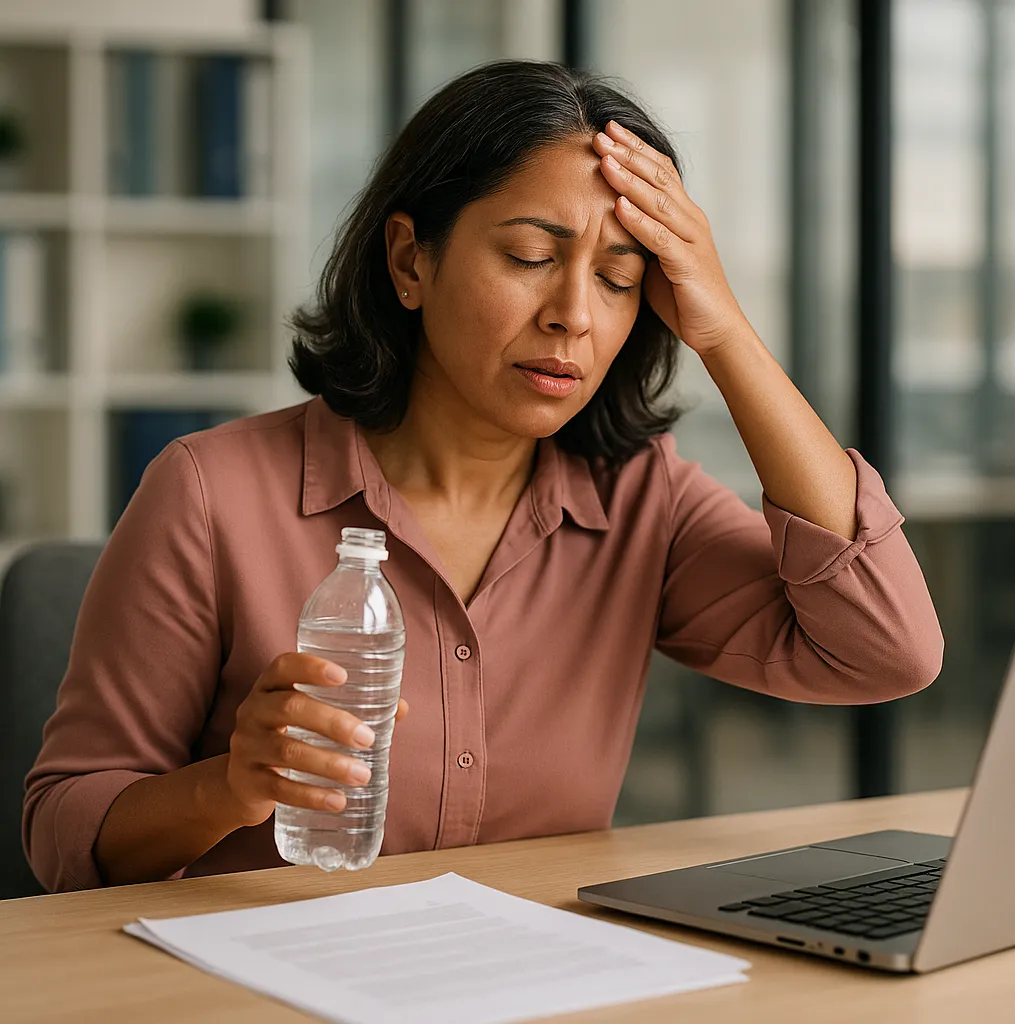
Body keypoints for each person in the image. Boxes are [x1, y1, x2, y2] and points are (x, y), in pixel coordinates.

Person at [24, 60, 942, 893]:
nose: (573, 316)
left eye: (622, 280)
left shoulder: (639, 497)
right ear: (409, 260)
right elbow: (66, 836)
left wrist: (724, 332)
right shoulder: (207, 493)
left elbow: (885, 651)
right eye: (530, 259)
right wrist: (229, 788)